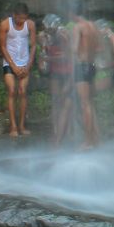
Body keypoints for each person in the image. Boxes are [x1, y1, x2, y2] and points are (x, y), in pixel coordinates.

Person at [0, 2, 36, 137]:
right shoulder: (5, 24)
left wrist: (28, 65)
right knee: (12, 91)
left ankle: (22, 125)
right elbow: (2, 47)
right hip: (9, 62)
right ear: (14, 15)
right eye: (20, 18)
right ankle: (13, 126)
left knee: (23, 91)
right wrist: (13, 66)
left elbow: (33, 46)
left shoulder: (30, 24)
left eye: (24, 18)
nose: (22, 21)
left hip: (24, 62)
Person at [69, 8, 101, 149]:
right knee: (90, 104)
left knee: (84, 104)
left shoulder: (78, 27)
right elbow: (100, 48)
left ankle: (88, 141)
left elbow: (74, 49)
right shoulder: (93, 26)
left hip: (81, 67)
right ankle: (96, 140)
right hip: (92, 66)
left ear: (73, 14)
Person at [40, 15, 74, 146]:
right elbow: (44, 53)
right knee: (55, 101)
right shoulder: (44, 36)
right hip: (55, 72)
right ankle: (56, 132)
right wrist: (43, 62)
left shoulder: (63, 35)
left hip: (67, 71)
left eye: (48, 28)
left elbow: (67, 57)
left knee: (66, 102)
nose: (46, 30)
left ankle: (69, 132)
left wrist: (48, 60)